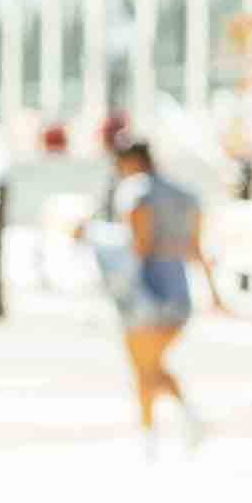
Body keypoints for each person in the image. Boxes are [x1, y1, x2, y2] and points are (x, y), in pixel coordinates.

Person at [106, 134, 223, 449]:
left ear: (130, 162)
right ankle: (180, 424)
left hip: (144, 294)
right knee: (150, 364)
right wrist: (215, 294)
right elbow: (196, 249)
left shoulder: (135, 192)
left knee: (143, 367)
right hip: (179, 294)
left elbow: (137, 247)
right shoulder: (186, 195)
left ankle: (150, 435)